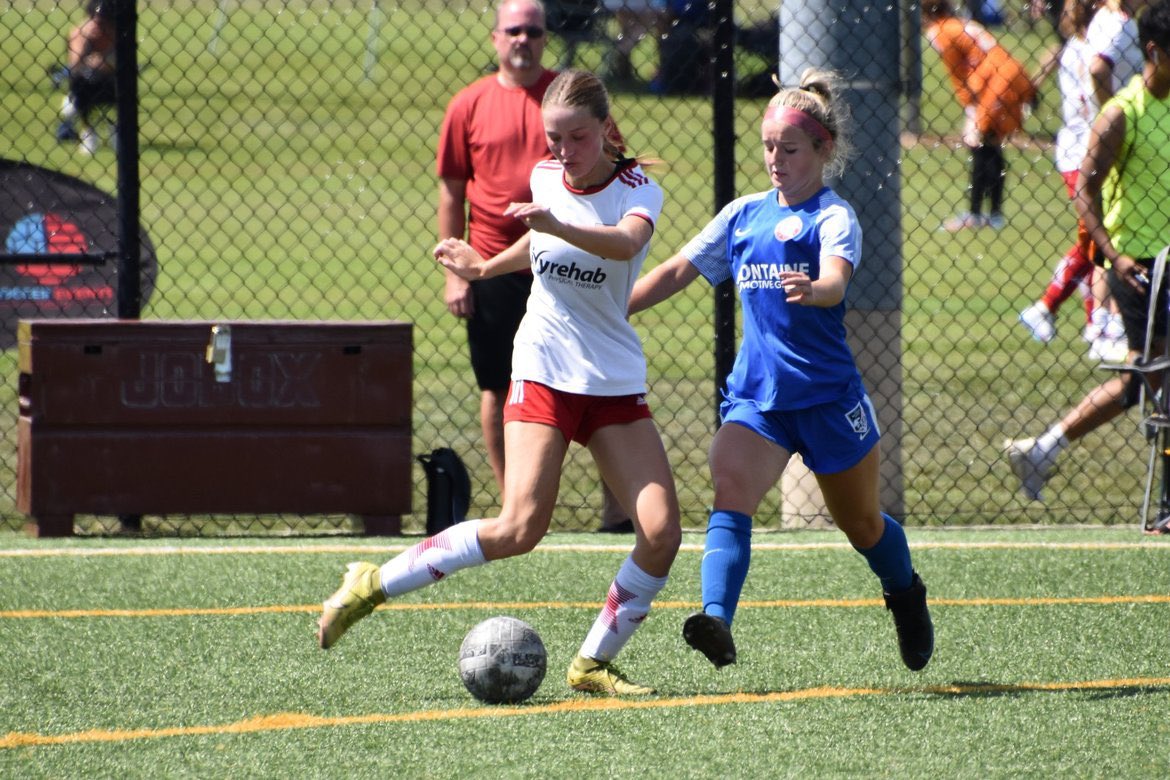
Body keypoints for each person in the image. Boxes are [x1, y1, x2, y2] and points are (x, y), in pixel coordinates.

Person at [320, 69, 683, 695]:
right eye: (554, 138)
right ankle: (370, 583)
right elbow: (539, 245)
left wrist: (554, 225)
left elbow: (624, 246)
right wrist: (485, 266)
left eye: (577, 137)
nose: (563, 152)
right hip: (543, 367)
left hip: (613, 380)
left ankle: (591, 662)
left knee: (660, 532)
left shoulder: (637, 191)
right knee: (520, 527)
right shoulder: (546, 177)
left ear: (604, 129)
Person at [627, 69, 934, 672]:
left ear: (822, 150)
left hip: (826, 399)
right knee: (730, 488)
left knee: (863, 524)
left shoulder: (834, 216)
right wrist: (613, 306)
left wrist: (814, 289)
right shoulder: (743, 216)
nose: (774, 159)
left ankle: (905, 594)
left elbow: (835, 280)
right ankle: (715, 618)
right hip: (759, 399)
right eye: (767, 147)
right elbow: (677, 270)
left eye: (788, 149)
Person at [437, 0, 631, 532]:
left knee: (598, 383)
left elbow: (616, 176)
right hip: (499, 262)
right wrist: (461, 270)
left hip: (571, 263)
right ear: (496, 37)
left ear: (546, 37)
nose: (523, 39)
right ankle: (512, 506)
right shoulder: (469, 103)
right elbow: (452, 191)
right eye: (514, 30)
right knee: (499, 386)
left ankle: (618, 512)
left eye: (534, 31)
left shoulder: (567, 101)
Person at [1005, 0, 1170, 525]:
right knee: (1157, 377)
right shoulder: (1123, 113)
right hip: (1141, 264)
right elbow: (1086, 194)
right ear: (1154, 52)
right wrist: (1114, 257)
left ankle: (1043, 449)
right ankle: (1165, 506)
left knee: (1144, 381)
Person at [1019, 0, 1147, 361]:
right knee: (1095, 238)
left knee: (1095, 239)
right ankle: (1058, 310)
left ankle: (1092, 321)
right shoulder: (1097, 42)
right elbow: (1098, 75)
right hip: (1083, 148)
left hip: (1082, 146)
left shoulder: (1081, 44)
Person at [923, 0, 1036, 231]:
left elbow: (956, 70)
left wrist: (970, 105)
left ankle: (978, 214)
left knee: (981, 144)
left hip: (994, 80)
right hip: (1006, 72)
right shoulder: (959, 24)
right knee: (990, 145)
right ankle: (991, 214)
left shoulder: (939, 31)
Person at [59, 0, 116, 155]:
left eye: (104, 22)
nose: (99, 26)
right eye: (96, 20)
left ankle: (116, 129)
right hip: (84, 82)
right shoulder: (79, 33)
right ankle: (88, 131)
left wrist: (105, 63)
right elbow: (74, 65)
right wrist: (85, 43)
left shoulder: (117, 33)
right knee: (81, 83)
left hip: (109, 81)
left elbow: (123, 65)